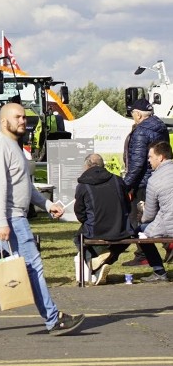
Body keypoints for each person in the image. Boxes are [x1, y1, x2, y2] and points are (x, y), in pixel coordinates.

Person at [0, 103, 84, 336]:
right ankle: (53, 319)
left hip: (3, 217)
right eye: (17, 117)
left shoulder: (13, 146)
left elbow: (24, 185)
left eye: (24, 116)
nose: (23, 120)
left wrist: (47, 205)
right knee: (33, 266)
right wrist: (1, 222)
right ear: (3, 121)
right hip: (9, 218)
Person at [122, 98, 169, 266]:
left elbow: (137, 162)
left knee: (139, 219)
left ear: (139, 114)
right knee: (159, 214)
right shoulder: (160, 126)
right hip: (161, 177)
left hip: (142, 182)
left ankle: (144, 254)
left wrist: (125, 185)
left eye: (133, 113)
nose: (132, 116)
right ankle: (167, 244)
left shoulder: (141, 131)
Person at [73, 153, 130, 285]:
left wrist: (87, 221)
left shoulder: (83, 185)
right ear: (103, 165)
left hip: (96, 229)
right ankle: (101, 265)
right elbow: (127, 204)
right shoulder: (117, 180)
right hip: (121, 228)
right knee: (123, 241)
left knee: (78, 239)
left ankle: (93, 263)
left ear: (87, 166)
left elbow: (79, 212)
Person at [137, 140, 173, 282]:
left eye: (150, 157)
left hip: (169, 224)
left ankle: (159, 271)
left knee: (140, 232)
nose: (149, 160)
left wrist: (142, 211)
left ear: (160, 157)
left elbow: (149, 216)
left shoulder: (154, 180)